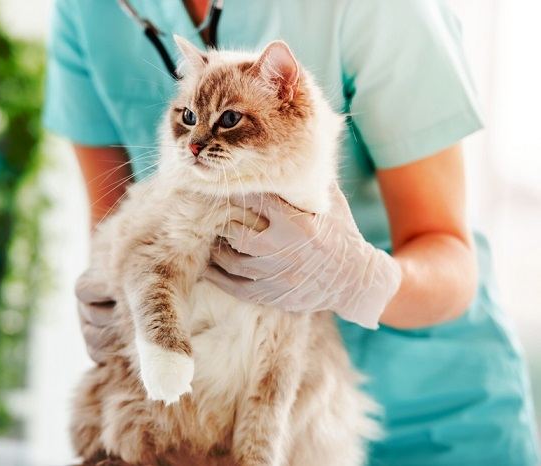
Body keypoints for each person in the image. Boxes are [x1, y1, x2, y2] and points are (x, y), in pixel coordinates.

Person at [43, 1, 539, 464]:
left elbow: (447, 249)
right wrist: (119, 287)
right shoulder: (88, 10)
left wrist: (356, 277)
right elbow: (113, 218)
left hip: (432, 417)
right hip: (206, 418)